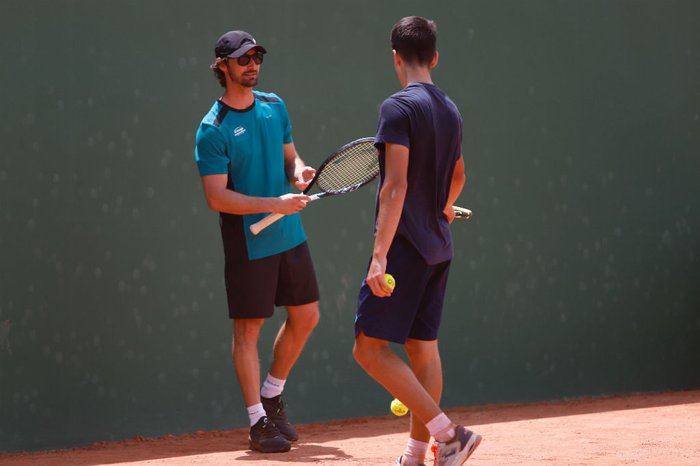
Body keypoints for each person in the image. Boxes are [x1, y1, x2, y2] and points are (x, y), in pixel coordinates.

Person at [352, 17, 481, 466]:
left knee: (368, 347)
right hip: (439, 247)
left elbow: (395, 187)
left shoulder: (397, 108)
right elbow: (459, 175)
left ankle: (449, 435)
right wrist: (443, 206)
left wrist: (378, 256)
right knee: (422, 348)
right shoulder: (450, 109)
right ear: (435, 58)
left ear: (395, 57)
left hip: (406, 247)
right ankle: (414, 455)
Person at [194, 30, 320, 453]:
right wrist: (274, 204)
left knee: (307, 316)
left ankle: (272, 394)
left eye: (257, 56)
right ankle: (256, 422)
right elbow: (217, 197)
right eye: (243, 58)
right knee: (249, 330)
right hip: (249, 240)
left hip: (289, 232)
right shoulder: (212, 129)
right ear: (223, 66)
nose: (253, 64)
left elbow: (291, 157)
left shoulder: (274, 105)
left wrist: (300, 172)